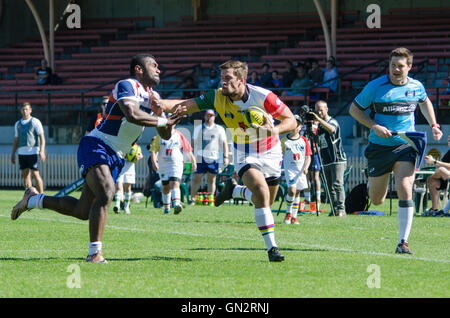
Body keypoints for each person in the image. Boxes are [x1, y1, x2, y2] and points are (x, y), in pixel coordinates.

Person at [11, 54, 184, 263]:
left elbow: (164, 133)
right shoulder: (128, 84)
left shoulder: (154, 96)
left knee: (82, 211)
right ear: (139, 69)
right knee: (107, 192)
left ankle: (34, 199)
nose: (159, 69)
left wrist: (170, 120)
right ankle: (94, 253)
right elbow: (131, 114)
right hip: (97, 144)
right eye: (153, 65)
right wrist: (160, 118)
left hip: (117, 156)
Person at [159, 60, 297, 262]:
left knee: (267, 201)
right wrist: (160, 104)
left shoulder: (263, 96)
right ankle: (272, 249)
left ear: (241, 80)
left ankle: (233, 190)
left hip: (271, 150)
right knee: (261, 191)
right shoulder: (216, 97)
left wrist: (274, 130)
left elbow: (291, 120)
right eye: (222, 78)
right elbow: (186, 105)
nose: (222, 82)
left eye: (228, 78)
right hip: (244, 150)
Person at [349, 47, 443, 254]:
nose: (395, 69)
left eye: (400, 66)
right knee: (377, 200)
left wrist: (434, 124)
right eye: (393, 65)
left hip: (406, 144)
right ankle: (368, 186)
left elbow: (425, 102)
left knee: (404, 186)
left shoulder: (416, 86)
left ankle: (403, 242)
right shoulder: (375, 87)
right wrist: (373, 125)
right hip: (379, 148)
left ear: (409, 67)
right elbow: (353, 109)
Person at [308, 100, 347, 217]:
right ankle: (334, 208)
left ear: (326, 109)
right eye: (317, 110)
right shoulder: (319, 126)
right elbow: (318, 141)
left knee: (337, 184)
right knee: (329, 186)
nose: (318, 112)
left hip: (337, 158)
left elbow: (332, 129)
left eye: (321, 109)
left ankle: (341, 209)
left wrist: (318, 119)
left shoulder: (332, 121)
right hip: (326, 159)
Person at [150, 124, 196, 214]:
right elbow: (153, 150)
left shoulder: (179, 135)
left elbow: (188, 150)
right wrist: (154, 162)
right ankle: (166, 207)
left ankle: (176, 204)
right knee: (166, 186)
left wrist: (193, 162)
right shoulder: (160, 136)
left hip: (176, 163)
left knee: (175, 183)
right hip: (163, 164)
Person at [190, 109, 229, 205]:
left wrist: (226, 156)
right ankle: (192, 199)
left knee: (212, 180)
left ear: (214, 117)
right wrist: (191, 157)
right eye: (207, 115)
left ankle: (210, 200)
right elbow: (192, 143)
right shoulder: (198, 128)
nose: (209, 117)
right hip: (200, 157)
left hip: (214, 157)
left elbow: (224, 143)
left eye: (211, 115)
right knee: (197, 178)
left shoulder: (220, 129)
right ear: (204, 116)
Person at [281, 115, 311, 224]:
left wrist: (306, 167)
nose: (294, 127)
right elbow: (280, 154)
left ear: (300, 127)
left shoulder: (304, 140)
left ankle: (294, 216)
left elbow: (308, 156)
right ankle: (288, 213)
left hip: (300, 170)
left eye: (297, 124)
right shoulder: (284, 141)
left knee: (297, 192)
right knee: (292, 190)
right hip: (290, 170)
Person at [11, 102, 46, 193]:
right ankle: (30, 197)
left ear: (30, 110)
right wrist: (13, 154)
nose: (25, 111)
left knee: (35, 174)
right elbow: (16, 140)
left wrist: (42, 151)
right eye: (23, 109)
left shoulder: (35, 121)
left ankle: (42, 196)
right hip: (22, 153)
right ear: (20, 111)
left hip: (33, 152)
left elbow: (42, 138)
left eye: (26, 109)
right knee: (25, 176)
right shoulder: (17, 124)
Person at [113, 143, 144, 214]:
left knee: (128, 188)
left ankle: (126, 207)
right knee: (119, 187)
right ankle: (117, 206)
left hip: (129, 167)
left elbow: (140, 154)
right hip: (120, 166)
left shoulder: (134, 143)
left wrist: (138, 157)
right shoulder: (120, 141)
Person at [424, 135, 450, 215]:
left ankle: (445, 210)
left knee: (441, 170)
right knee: (432, 181)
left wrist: (434, 161)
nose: (449, 142)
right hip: (446, 179)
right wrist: (433, 161)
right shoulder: (449, 152)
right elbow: (438, 165)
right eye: (448, 140)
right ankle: (434, 209)